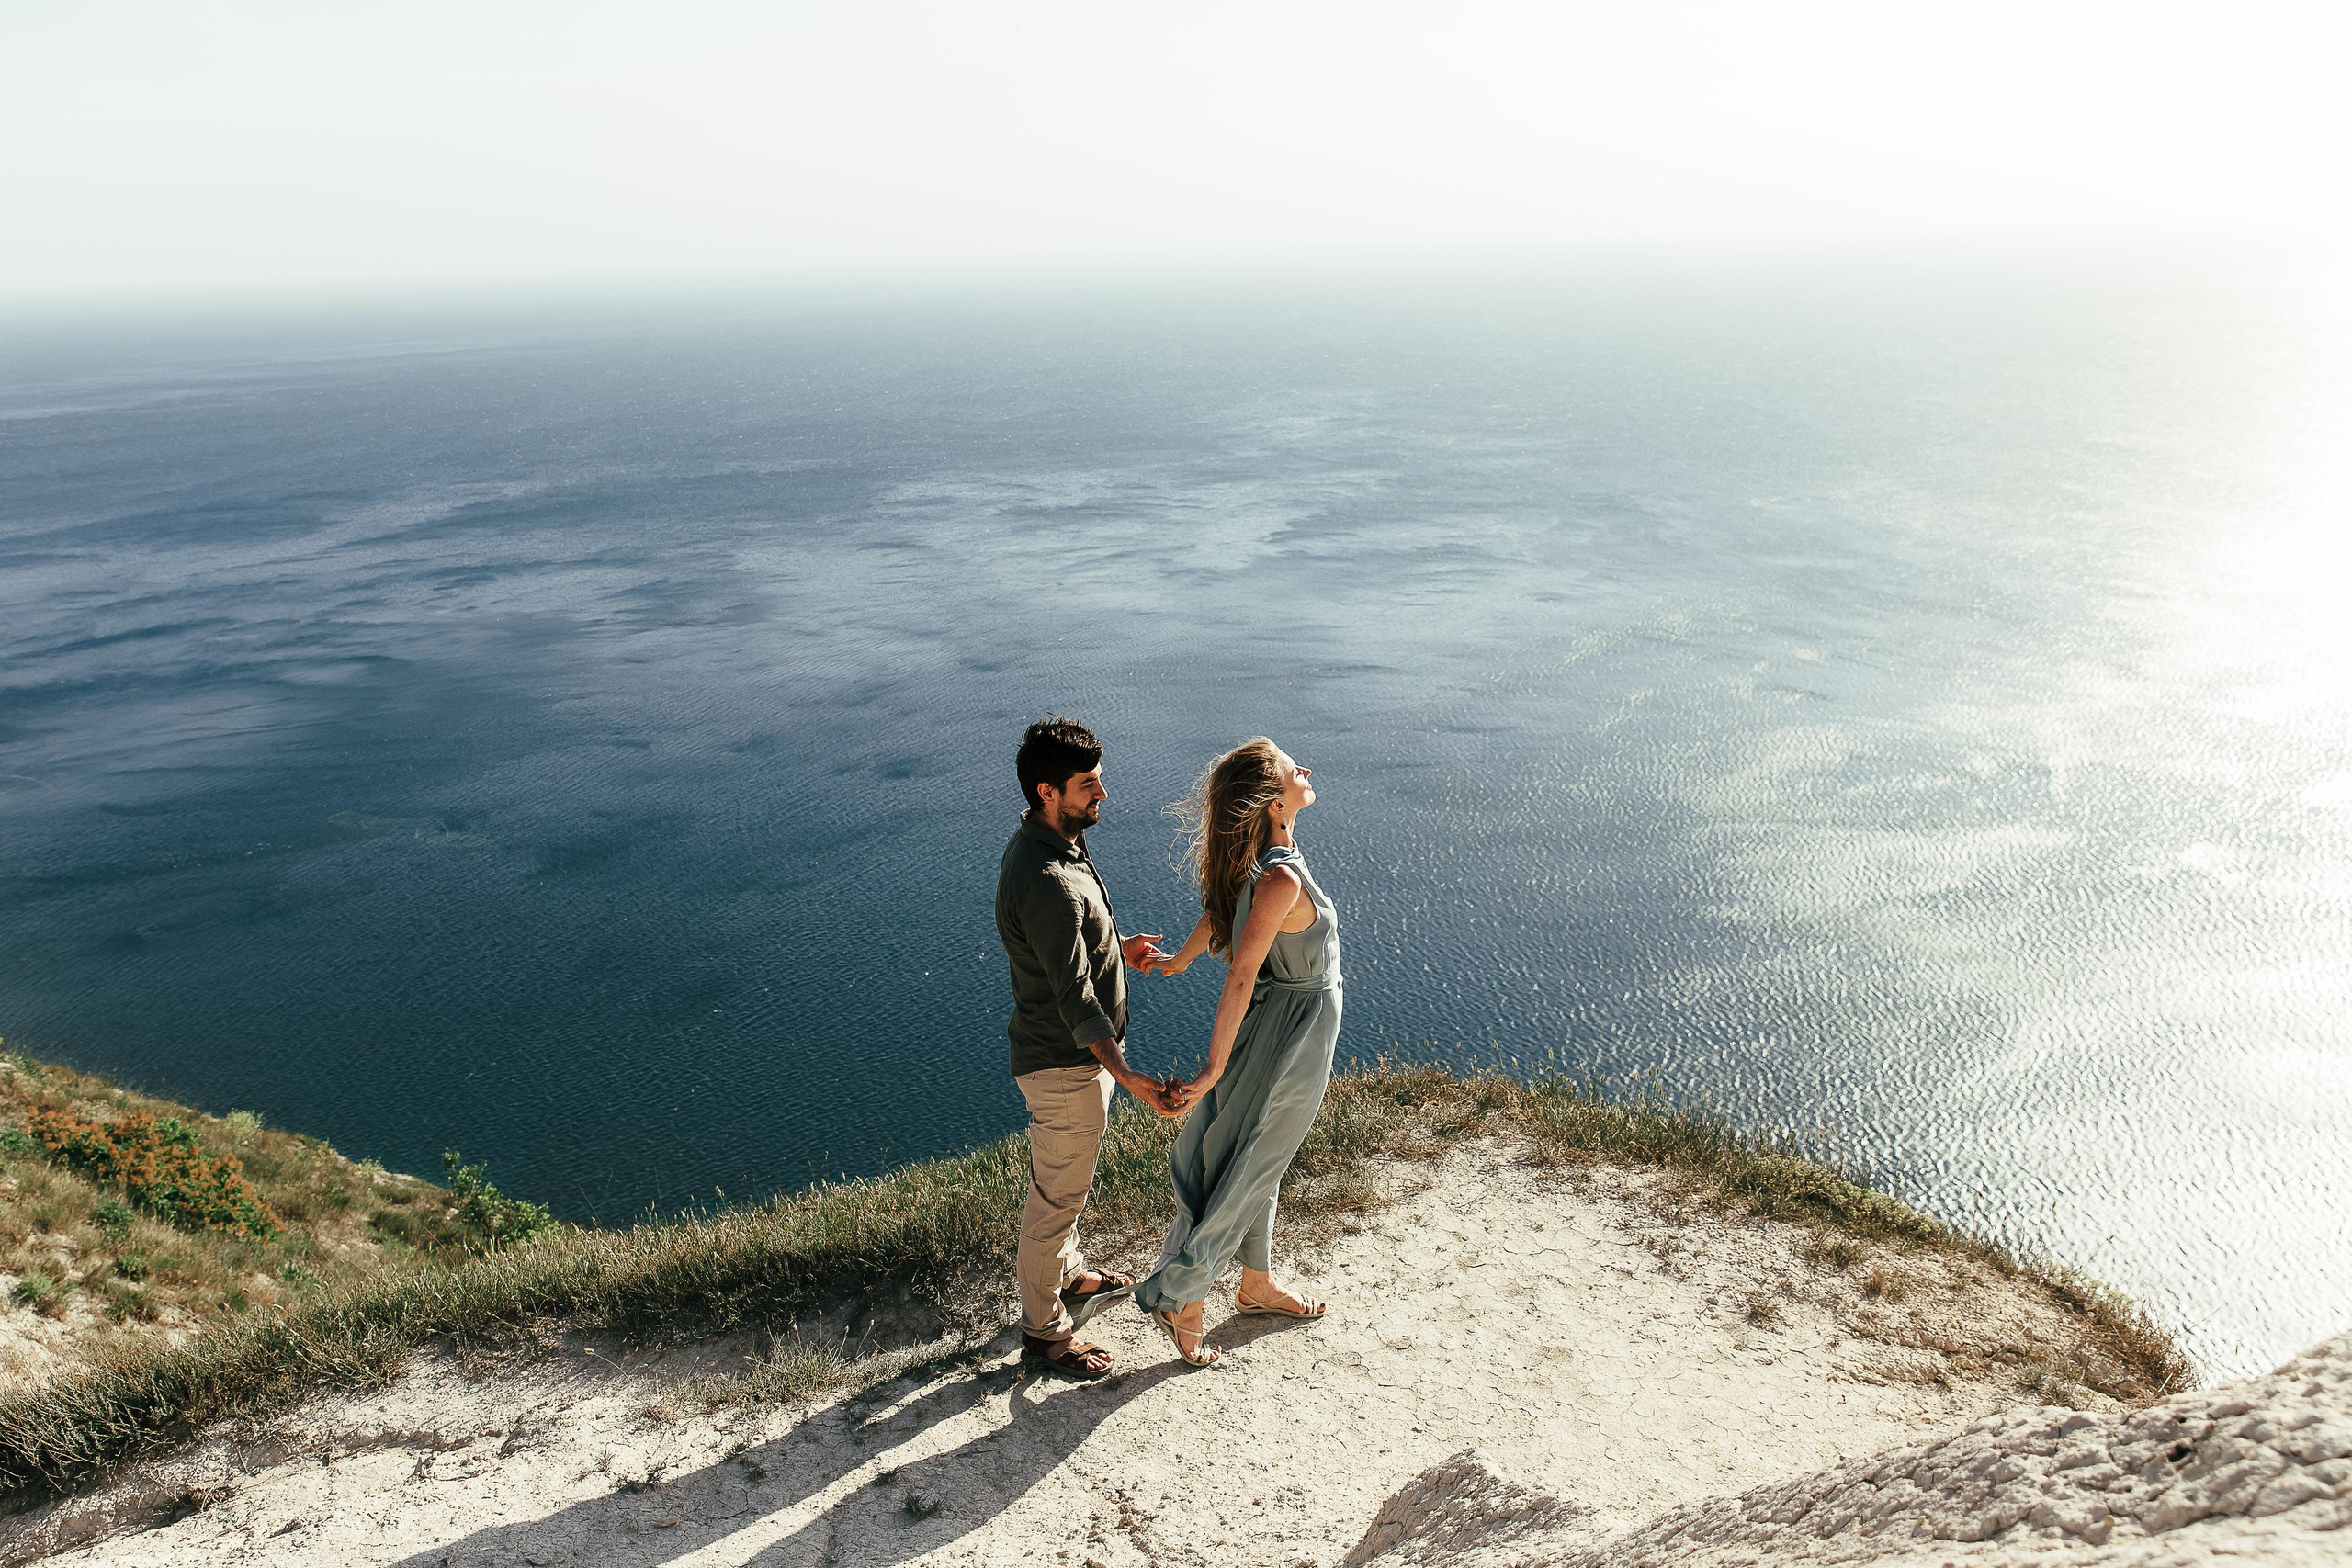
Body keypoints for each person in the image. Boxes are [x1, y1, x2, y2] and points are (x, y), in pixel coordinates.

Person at [1134, 737, 1340, 1367]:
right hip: (1294, 1031)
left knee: (1259, 1151)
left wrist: (1177, 961)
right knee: (1257, 1160)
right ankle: (1183, 1296)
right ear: (1274, 801)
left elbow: (1222, 913)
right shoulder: (1279, 877)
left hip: (1283, 1023)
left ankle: (1256, 1282)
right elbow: (1242, 973)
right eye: (1293, 769)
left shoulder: (1267, 861)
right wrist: (1213, 1068)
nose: (1305, 770)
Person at [995, 715, 1180, 1379]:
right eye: (1088, 784)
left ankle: (1070, 1276)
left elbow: (1066, 947)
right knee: (1054, 1203)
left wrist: (1116, 949)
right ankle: (1044, 1334)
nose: (1102, 793)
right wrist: (1128, 1075)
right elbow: (1073, 995)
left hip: (1071, 1060)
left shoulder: (1054, 843)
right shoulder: (1045, 874)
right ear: (1048, 791)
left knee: (1066, 1187)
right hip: (1064, 1065)